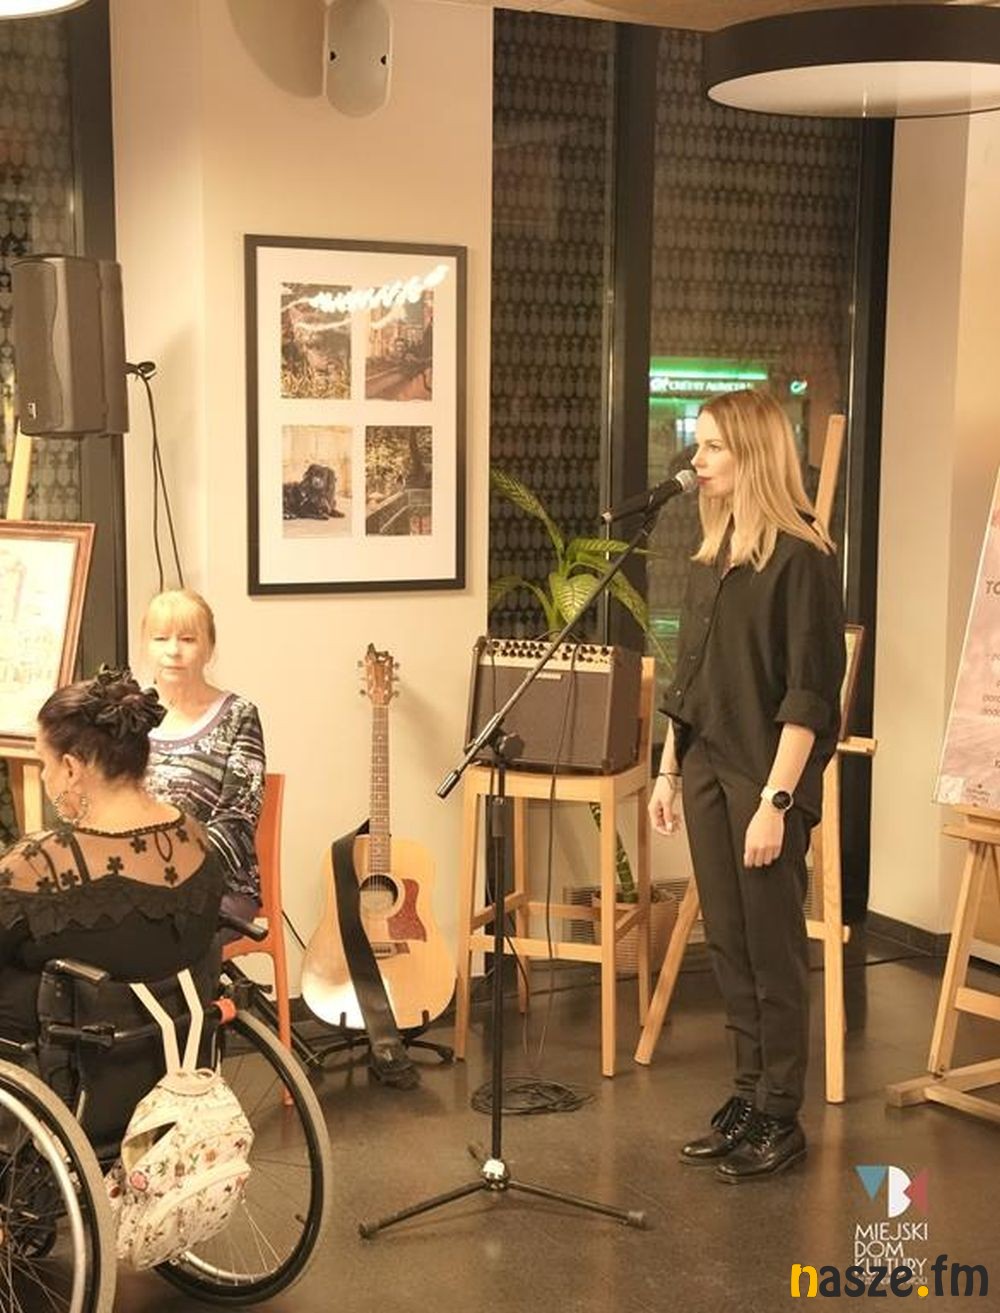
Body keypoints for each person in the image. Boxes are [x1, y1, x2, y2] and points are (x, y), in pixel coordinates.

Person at [649, 389, 845, 1182]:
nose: (696, 461)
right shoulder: (715, 555)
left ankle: (781, 1111)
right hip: (704, 766)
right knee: (727, 943)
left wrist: (776, 802)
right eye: (698, 446)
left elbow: (810, 696)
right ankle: (747, 1093)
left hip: (765, 779)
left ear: (754, 455)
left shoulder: (802, 559)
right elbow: (691, 675)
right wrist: (668, 767)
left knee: (771, 948)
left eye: (712, 448)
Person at [0, 669, 224, 1043]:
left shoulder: (40, 864)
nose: (43, 777)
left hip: (74, 1050)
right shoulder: (193, 837)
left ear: (71, 768)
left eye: (43, 763)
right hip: (172, 1038)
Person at [141, 589, 265, 924]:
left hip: (216, 887)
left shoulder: (238, 715)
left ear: (209, 648)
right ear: (146, 645)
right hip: (131, 880)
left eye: (187, 639)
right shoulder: (125, 714)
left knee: (143, 932)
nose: (173, 651)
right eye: (160, 638)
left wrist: (165, 871)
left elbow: (238, 820)